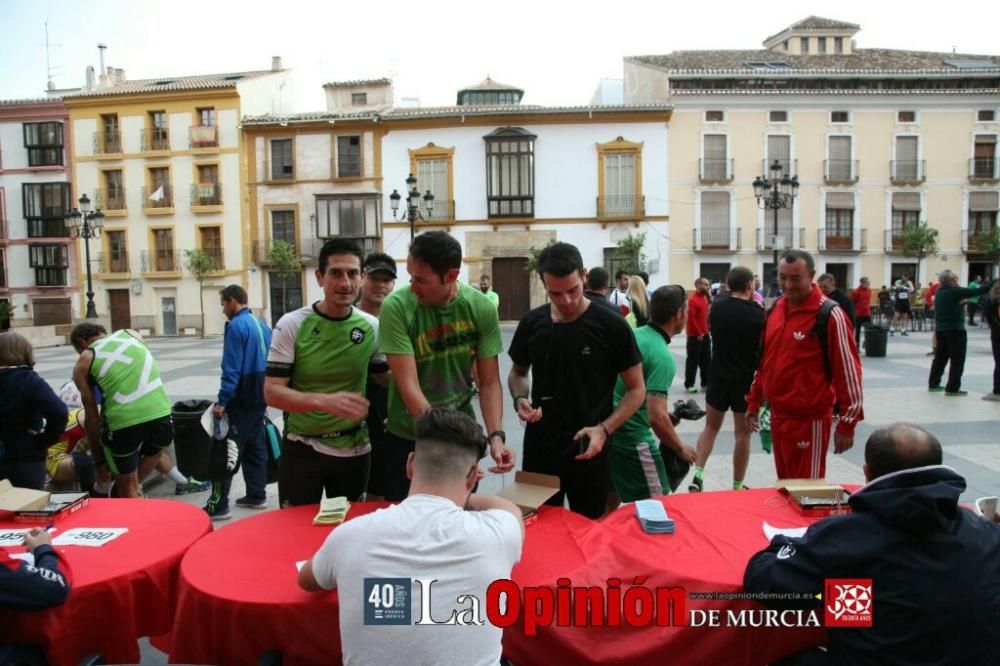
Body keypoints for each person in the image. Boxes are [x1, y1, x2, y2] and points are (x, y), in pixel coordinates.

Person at [744, 423, 1000, 666]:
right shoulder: (984, 533)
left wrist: (784, 543)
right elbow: (895, 594)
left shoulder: (850, 536)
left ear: (867, 472)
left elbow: (765, 582)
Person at [298, 408, 523, 666]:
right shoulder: (495, 535)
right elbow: (511, 510)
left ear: (410, 464)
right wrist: (462, 495)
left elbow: (307, 579)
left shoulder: (350, 536)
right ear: (472, 477)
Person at [508, 242, 645, 518]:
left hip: (590, 445)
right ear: (542, 283)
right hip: (541, 447)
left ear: (584, 275)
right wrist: (520, 398)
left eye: (573, 290)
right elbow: (518, 373)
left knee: (590, 529)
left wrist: (604, 430)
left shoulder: (611, 325)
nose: (567, 301)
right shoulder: (532, 323)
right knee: (538, 527)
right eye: (555, 294)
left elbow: (637, 390)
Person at [379, 231, 514, 502]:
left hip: (460, 430)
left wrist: (496, 436)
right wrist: (447, 444)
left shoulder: (480, 308)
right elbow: (408, 385)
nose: (413, 286)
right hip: (408, 436)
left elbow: (488, 382)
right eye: (410, 276)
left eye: (421, 280)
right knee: (405, 522)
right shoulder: (396, 307)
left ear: (451, 276)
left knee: (456, 518)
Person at [264, 239, 382, 507]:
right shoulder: (292, 324)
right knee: (295, 537)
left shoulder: (372, 327)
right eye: (335, 273)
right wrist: (324, 401)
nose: (345, 283)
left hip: (354, 450)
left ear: (363, 277)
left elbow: (386, 379)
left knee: (347, 536)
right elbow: (271, 392)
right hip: (302, 449)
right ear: (319, 277)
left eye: (353, 273)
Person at [746, 250, 864, 480]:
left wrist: (848, 423)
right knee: (786, 485)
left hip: (810, 421)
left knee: (807, 490)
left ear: (811, 275)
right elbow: (766, 363)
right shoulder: (776, 309)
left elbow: (848, 372)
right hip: (779, 416)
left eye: (796, 278)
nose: (788, 285)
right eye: (783, 277)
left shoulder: (830, 315)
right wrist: (754, 401)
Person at [610, 285, 695, 503]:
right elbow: (656, 417)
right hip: (634, 442)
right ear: (678, 314)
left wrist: (670, 418)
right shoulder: (662, 356)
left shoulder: (634, 335)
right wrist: (680, 447)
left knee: (609, 501)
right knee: (657, 504)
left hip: (610, 437)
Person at [70, 323, 172, 499]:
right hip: (162, 414)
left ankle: (128, 494)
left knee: (126, 486)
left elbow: (92, 419)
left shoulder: (84, 361)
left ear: (82, 342)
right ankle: (134, 487)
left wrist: (100, 462)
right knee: (155, 451)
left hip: (122, 424)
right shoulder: (131, 334)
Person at [690, 267, 766, 492]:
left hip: (718, 374)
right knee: (742, 434)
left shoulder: (717, 307)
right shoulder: (758, 314)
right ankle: (737, 485)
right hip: (744, 379)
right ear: (750, 285)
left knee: (711, 427)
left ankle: (698, 473)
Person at [204, 284, 272, 520]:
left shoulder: (236, 326)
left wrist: (222, 402)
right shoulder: (262, 324)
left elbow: (231, 369)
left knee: (226, 449)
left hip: (241, 396)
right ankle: (256, 494)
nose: (223, 309)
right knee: (255, 446)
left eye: (223, 304)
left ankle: (218, 505)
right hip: (260, 394)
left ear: (232, 300)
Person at [0, 332, 68, 490]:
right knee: (29, 510)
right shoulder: (28, 379)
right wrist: (45, 439)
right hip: (25, 458)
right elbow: (58, 411)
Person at [357, 251, 396, 499]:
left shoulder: (401, 320)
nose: (381, 285)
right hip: (356, 416)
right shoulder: (346, 319)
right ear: (362, 278)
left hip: (391, 416)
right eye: (375, 279)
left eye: (387, 280)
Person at [928, 269, 997, 396]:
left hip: (941, 331)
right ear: (951, 280)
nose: (957, 280)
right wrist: (995, 282)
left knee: (940, 358)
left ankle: (933, 384)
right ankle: (952, 388)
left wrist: (960, 304)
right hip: (955, 331)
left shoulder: (940, 291)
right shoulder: (954, 291)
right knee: (957, 360)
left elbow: (950, 305)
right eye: (955, 278)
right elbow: (978, 291)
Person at [684, 277, 711, 394]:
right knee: (693, 361)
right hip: (695, 336)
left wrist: (707, 329)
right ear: (698, 285)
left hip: (705, 334)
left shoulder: (705, 298)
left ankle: (705, 384)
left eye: (708, 284)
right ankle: (689, 384)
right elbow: (691, 318)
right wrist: (698, 332)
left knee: (707, 361)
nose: (707, 287)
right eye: (705, 284)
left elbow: (704, 316)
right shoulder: (693, 300)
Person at [985, 280, 1000, 402]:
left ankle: (997, 390)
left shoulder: (990, 301)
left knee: (998, 362)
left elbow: (989, 320)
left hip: (996, 335)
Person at [849, 277, 872, 346]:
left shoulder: (869, 290)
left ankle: (867, 342)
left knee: (869, 330)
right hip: (858, 314)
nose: (869, 284)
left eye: (869, 283)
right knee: (858, 331)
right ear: (862, 283)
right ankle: (857, 344)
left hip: (867, 313)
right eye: (867, 283)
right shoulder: (855, 292)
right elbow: (852, 302)